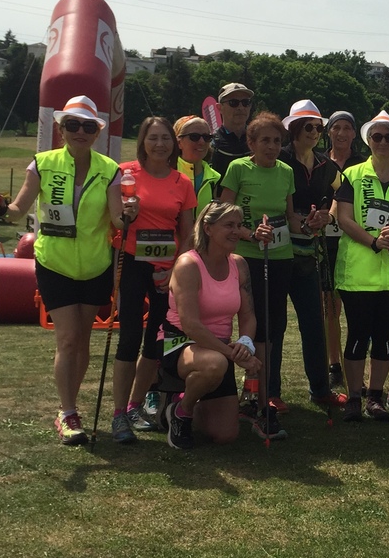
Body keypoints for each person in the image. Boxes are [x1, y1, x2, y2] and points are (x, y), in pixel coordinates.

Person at [0, 95, 134, 445]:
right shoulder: (43, 163)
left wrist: (129, 213)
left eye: (88, 126)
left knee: (81, 341)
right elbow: (18, 210)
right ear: (61, 129)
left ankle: (69, 405)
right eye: (72, 125)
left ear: (97, 132)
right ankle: (68, 412)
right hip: (54, 264)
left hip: (95, 265)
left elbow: (117, 219)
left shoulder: (109, 169)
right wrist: (1, 207)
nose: (80, 131)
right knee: (67, 339)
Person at [219, 112, 323, 430]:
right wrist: (251, 233)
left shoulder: (285, 172)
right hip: (247, 259)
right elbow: (223, 216)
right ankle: (245, 395)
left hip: (280, 258)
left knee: (272, 329)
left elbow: (290, 217)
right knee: (251, 326)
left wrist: (309, 224)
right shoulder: (238, 168)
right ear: (251, 143)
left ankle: (261, 397)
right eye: (265, 140)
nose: (272, 146)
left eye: (277, 141)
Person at [109, 116, 196, 444]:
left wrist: (174, 270)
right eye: (153, 138)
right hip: (131, 262)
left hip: (166, 269)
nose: (160, 144)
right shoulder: (125, 172)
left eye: (165, 138)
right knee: (129, 336)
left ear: (174, 144)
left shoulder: (182, 182)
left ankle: (136, 405)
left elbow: (187, 233)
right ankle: (119, 413)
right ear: (142, 142)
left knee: (156, 341)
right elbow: (114, 218)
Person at [332, 110, 389, 420]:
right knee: (358, 335)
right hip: (358, 272)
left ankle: (375, 397)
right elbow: (344, 218)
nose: (383, 142)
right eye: (377, 136)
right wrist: (373, 242)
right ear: (368, 140)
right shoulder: (353, 174)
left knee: (384, 337)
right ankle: (354, 397)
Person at [162, 201, 263, 449]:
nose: (236, 231)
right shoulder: (188, 264)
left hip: (218, 348)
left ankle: (178, 402)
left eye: (239, 225)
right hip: (180, 343)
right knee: (215, 364)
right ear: (208, 229)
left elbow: (248, 315)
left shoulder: (239, 264)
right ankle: (181, 411)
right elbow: (191, 325)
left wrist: (245, 344)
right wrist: (233, 355)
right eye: (229, 225)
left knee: (225, 435)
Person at [280, 99, 348, 409]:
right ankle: (268, 393)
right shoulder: (279, 158)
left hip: (309, 254)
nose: (314, 132)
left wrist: (329, 216)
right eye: (308, 127)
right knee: (274, 327)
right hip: (277, 252)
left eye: (319, 128)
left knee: (314, 323)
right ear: (294, 129)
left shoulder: (325, 164)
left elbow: (343, 191)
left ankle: (320, 389)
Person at [322, 110, 367, 388]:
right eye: (336, 127)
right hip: (325, 240)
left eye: (347, 128)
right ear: (328, 131)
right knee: (330, 306)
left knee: (356, 306)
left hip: (355, 240)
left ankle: (356, 360)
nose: (341, 133)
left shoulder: (362, 163)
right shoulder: (318, 161)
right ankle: (333, 363)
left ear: (354, 133)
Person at [173, 114, 221, 216]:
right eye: (194, 137)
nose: (202, 142)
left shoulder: (215, 178)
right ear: (178, 143)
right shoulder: (167, 172)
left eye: (207, 137)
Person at [209, 82, 255, 181]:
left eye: (245, 102)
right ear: (219, 108)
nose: (241, 107)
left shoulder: (259, 140)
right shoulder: (211, 145)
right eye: (233, 103)